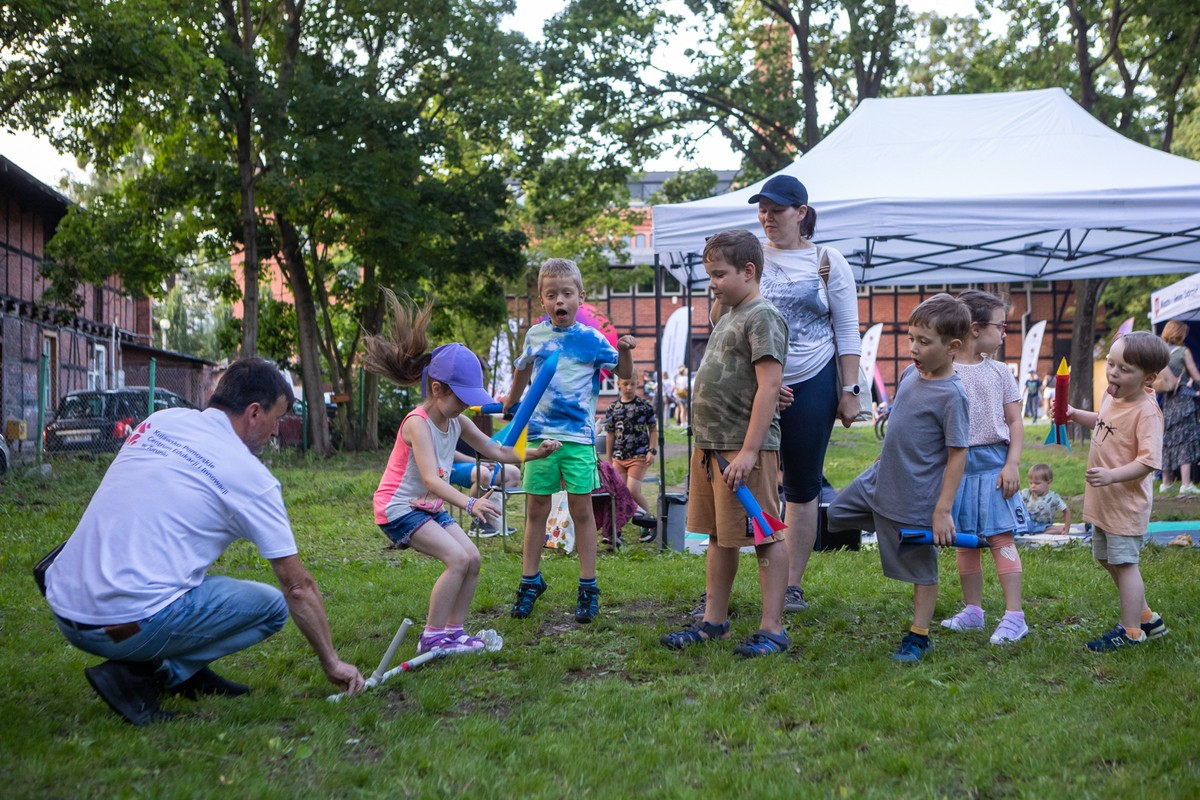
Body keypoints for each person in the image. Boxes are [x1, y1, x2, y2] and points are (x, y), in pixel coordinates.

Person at [42, 358, 366, 726]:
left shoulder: (161, 421)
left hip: (65, 605)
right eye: (278, 419)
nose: (277, 431)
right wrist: (331, 661)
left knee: (189, 580)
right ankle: (149, 675)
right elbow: (297, 587)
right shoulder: (251, 478)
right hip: (120, 627)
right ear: (254, 413)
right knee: (272, 607)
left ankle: (185, 670)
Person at [363, 292, 560, 655]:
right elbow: (431, 480)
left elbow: (498, 450)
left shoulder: (457, 420)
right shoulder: (418, 424)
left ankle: (454, 631)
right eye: (462, 397)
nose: (468, 404)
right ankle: (432, 635)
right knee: (455, 560)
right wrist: (470, 504)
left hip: (428, 507)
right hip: (399, 508)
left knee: (472, 558)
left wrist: (535, 452)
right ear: (436, 389)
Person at [659, 229, 791, 657]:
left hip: (744, 449)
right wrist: (720, 288)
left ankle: (773, 628)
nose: (711, 282)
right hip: (712, 448)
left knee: (765, 533)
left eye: (719, 274)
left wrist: (750, 452)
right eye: (708, 274)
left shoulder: (762, 316)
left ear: (749, 272)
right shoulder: (730, 314)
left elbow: (770, 387)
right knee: (720, 535)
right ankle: (713, 622)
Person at [826, 294, 971, 662]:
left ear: (952, 347)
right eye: (911, 338)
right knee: (833, 515)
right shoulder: (910, 374)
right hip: (878, 481)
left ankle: (919, 636)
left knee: (921, 569)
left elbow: (958, 456)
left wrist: (942, 511)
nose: (913, 348)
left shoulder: (953, 396)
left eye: (924, 342)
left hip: (916, 498)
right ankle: (884, 528)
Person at [745, 174, 861, 614]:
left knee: (802, 485)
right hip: (758, 382)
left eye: (777, 209)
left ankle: (791, 583)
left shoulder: (828, 260)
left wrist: (849, 391)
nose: (768, 217)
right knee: (750, 479)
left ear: (801, 213)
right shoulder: (752, 258)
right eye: (762, 209)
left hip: (812, 379)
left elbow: (847, 330)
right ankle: (750, 575)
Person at [505, 258, 635, 624]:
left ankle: (588, 586)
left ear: (580, 296)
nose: (559, 300)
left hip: (577, 439)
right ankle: (530, 581)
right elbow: (522, 370)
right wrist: (510, 401)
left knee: (581, 510)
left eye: (566, 293)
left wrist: (624, 350)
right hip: (541, 437)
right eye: (551, 295)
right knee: (535, 511)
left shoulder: (592, 340)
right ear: (542, 300)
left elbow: (624, 375)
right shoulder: (535, 336)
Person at [1065, 331, 1171, 652]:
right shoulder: (1113, 397)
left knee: (1125, 564)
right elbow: (1103, 422)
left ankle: (1131, 631)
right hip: (1104, 500)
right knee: (1105, 557)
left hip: (1125, 503)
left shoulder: (1146, 412)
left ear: (1149, 378)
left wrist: (1112, 476)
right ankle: (1145, 616)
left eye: (1124, 369)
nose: (1113, 372)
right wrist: (1074, 414)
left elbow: (1149, 462)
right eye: (1111, 363)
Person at [939, 290, 1030, 645]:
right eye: (1001, 325)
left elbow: (1015, 422)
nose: (1005, 332)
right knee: (966, 542)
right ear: (976, 329)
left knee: (999, 537)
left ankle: (1014, 616)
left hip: (994, 468)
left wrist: (1013, 464)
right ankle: (973, 611)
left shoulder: (1001, 372)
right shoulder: (943, 369)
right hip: (957, 469)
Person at [603, 376, 658, 517]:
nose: (629, 387)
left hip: (639, 456)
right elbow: (610, 434)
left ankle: (649, 521)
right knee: (618, 492)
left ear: (637, 384)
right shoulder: (613, 408)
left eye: (632, 384)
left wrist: (651, 451)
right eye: (625, 384)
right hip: (619, 456)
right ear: (618, 384)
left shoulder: (644, 405)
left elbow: (652, 429)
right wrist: (609, 459)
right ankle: (616, 531)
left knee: (632, 490)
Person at [1157, 320, 1200, 495]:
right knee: (1185, 439)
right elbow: (1196, 377)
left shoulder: (1161, 354)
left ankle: (1166, 482)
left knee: (1168, 440)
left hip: (1168, 401)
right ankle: (1186, 483)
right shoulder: (1183, 351)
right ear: (1179, 334)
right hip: (1183, 401)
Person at [450, 450, 521, 536]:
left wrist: (490, 460)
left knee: (514, 473)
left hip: (477, 462)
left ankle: (493, 520)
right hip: (450, 464)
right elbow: (448, 451)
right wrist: (477, 461)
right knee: (483, 473)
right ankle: (476, 522)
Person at [1021, 463, 1071, 534]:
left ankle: (1038, 532)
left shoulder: (1054, 497)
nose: (1033, 486)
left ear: (1048, 482)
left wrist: (1066, 529)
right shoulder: (1026, 493)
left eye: (1037, 483)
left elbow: (1066, 511)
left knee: (1054, 530)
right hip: (1027, 523)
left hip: (1044, 525)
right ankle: (1035, 532)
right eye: (1030, 483)